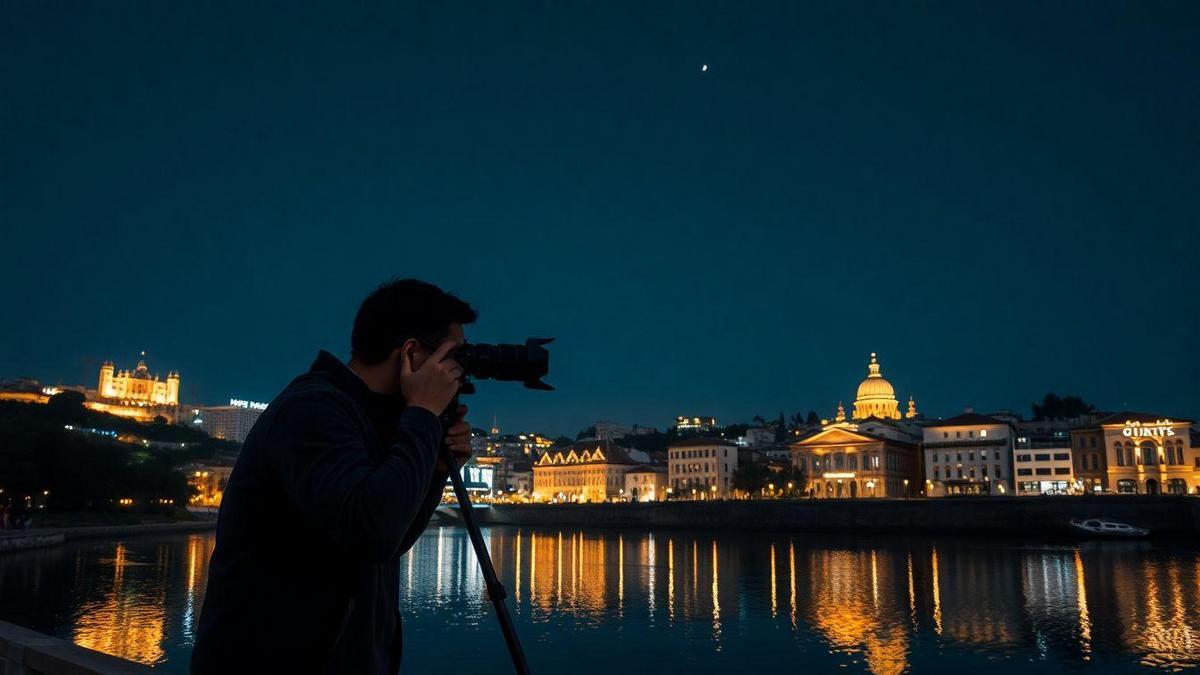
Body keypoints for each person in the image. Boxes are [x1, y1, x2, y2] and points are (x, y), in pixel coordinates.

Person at [191, 279, 476, 674]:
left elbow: (390, 541)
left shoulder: (369, 424)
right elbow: (371, 529)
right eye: (453, 358)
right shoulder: (312, 412)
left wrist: (435, 470)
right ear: (411, 354)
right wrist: (423, 415)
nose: (458, 375)